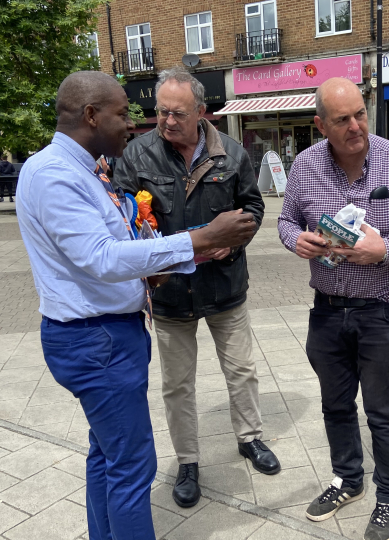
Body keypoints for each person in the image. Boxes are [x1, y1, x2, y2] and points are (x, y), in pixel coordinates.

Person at [16, 71, 257, 540]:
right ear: (90, 115)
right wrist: (200, 238)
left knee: (106, 455)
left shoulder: (83, 170)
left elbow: (115, 242)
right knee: (131, 466)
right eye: (123, 113)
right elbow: (101, 258)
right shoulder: (55, 175)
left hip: (111, 333)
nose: (134, 124)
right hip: (96, 340)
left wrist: (166, 261)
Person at [278, 77, 389, 540]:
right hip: (327, 309)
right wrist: (297, 241)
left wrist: (385, 250)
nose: (355, 126)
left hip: (384, 310)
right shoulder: (305, 166)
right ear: (320, 124)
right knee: (335, 405)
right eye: (342, 119)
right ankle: (347, 480)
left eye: (360, 114)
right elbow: (286, 220)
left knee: (383, 411)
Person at [112, 66, 278, 509]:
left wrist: (233, 241)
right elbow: (122, 216)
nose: (167, 121)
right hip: (169, 293)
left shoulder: (233, 154)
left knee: (241, 370)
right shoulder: (138, 155)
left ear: (201, 111)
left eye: (177, 113)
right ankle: (187, 461)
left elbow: (254, 206)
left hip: (225, 287)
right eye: (161, 112)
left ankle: (249, 438)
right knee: (177, 385)